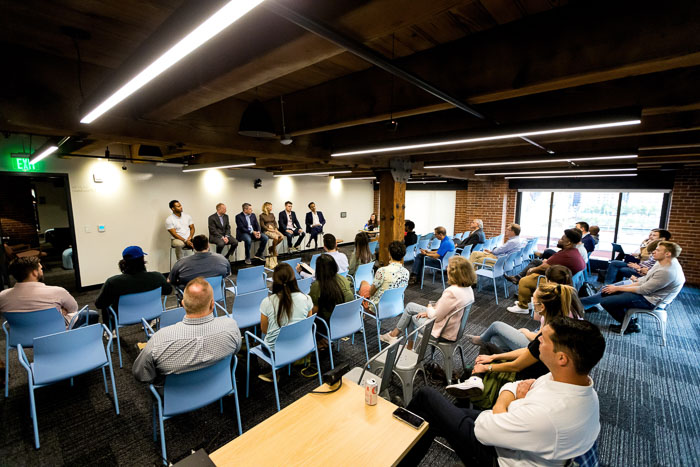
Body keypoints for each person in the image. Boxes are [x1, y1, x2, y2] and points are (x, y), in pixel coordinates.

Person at [398, 317, 605, 466]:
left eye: (543, 340)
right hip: (508, 428)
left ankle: (394, 451)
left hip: (498, 455)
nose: (537, 340)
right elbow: (514, 387)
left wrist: (502, 404)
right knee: (430, 417)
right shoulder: (575, 383)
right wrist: (510, 402)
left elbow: (485, 431)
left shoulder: (550, 415)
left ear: (562, 358)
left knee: (426, 398)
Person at [132, 277, 241, 384]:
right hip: (218, 386)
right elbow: (235, 351)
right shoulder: (231, 327)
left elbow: (141, 375)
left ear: (182, 304)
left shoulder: (159, 340)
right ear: (212, 304)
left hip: (175, 395)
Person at [471, 265, 583, 352]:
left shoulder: (554, 306)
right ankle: (505, 361)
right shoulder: (569, 299)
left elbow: (538, 331)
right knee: (495, 340)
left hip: (541, 346)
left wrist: (525, 331)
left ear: (549, 281)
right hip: (549, 342)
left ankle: (482, 341)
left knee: (496, 326)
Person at [581, 241, 685, 334]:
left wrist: (617, 288)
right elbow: (643, 280)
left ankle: (630, 326)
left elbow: (643, 289)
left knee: (606, 301)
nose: (653, 252)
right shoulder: (661, 263)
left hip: (650, 301)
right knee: (608, 291)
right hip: (646, 293)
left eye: (657, 250)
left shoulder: (667, 271)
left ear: (668, 254)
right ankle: (627, 318)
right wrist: (618, 287)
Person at [381, 256, 476, 349]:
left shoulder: (452, 292)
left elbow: (436, 317)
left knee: (413, 317)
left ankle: (401, 341)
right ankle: (395, 337)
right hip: (453, 327)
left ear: (454, 273)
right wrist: (429, 312)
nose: (446, 268)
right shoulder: (468, 289)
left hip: (442, 331)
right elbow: (445, 310)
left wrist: (429, 308)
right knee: (410, 306)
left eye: (449, 267)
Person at [507, 229, 585, 314]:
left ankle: (523, 307)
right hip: (563, 279)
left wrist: (532, 270)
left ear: (568, 243)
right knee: (535, 266)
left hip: (557, 283)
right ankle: (528, 302)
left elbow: (543, 268)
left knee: (524, 281)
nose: (559, 240)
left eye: (562, 239)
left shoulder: (566, 254)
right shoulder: (574, 252)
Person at [95, 246, 172, 324]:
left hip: (123, 318)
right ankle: (149, 321)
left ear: (124, 262)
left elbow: (99, 304)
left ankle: (111, 331)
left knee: (106, 303)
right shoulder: (157, 277)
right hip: (152, 313)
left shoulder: (113, 282)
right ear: (143, 259)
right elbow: (168, 291)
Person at [0, 256, 80, 329]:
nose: (42, 271)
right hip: (55, 334)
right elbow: (73, 308)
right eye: (41, 269)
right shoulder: (57, 292)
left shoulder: (2, 296)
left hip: (21, 339)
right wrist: (60, 311)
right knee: (90, 314)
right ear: (34, 273)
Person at [359, 241, 409, 311]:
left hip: (379, 307)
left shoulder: (382, 271)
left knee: (363, 283)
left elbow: (371, 292)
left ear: (389, 254)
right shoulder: (406, 272)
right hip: (396, 304)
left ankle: (363, 312)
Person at [309, 254, 354, 325]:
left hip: (328, 325)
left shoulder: (317, 285)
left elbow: (313, 310)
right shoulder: (343, 279)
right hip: (348, 320)